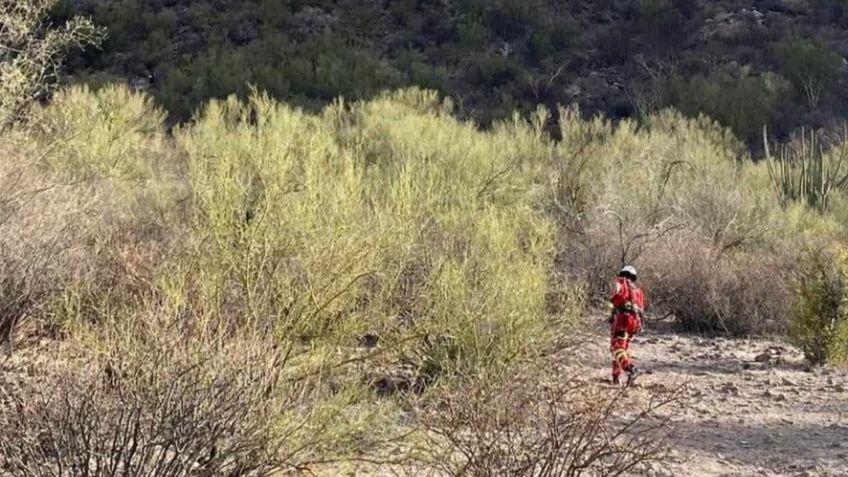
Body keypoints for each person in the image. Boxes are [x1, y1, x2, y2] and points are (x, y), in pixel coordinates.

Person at [609, 265, 646, 386]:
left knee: (617, 347)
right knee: (623, 349)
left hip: (622, 319)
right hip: (634, 322)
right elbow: (641, 310)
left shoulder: (620, 281)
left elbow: (614, 292)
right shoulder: (639, 291)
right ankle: (616, 377)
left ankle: (631, 369)